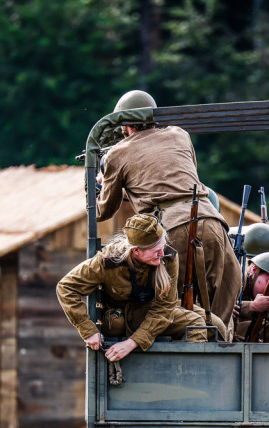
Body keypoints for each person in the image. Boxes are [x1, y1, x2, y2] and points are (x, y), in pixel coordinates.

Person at [96, 90, 241, 334]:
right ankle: (223, 345)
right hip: (210, 217)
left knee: (174, 303)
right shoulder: (179, 135)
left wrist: (101, 185)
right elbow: (184, 176)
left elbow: (104, 211)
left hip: (172, 228)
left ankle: (192, 353)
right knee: (224, 293)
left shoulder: (116, 154)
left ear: (125, 126)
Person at [57, 213, 222, 362]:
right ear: (136, 251)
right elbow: (66, 288)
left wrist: (132, 343)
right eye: (155, 251)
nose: (161, 254)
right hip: (121, 317)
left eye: (162, 247)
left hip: (153, 311)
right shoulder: (107, 261)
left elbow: (165, 306)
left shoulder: (168, 257)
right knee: (196, 324)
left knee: (214, 325)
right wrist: (88, 330)